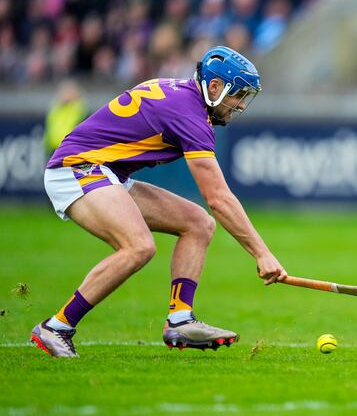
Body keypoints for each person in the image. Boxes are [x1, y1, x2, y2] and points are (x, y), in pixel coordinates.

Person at [31, 46, 287, 358]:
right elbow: (218, 198)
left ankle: (180, 320)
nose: (240, 104)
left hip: (108, 173)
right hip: (76, 169)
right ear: (216, 87)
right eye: (238, 95)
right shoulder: (189, 114)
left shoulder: (184, 96)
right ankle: (57, 326)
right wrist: (262, 254)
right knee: (138, 246)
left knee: (198, 223)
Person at [43, 80, 87, 156]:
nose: (64, 94)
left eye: (68, 92)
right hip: (52, 149)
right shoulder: (55, 108)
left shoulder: (78, 108)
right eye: (63, 92)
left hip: (69, 149)